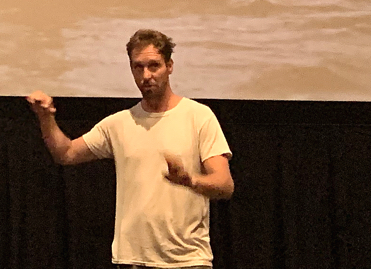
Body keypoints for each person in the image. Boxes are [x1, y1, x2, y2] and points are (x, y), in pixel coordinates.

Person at [26, 30, 233, 269]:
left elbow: (225, 185)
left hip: (187, 261)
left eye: (154, 66)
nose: (146, 75)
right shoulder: (119, 123)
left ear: (170, 66)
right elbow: (66, 153)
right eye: (138, 67)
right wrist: (46, 118)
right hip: (131, 261)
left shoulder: (198, 117)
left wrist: (190, 180)